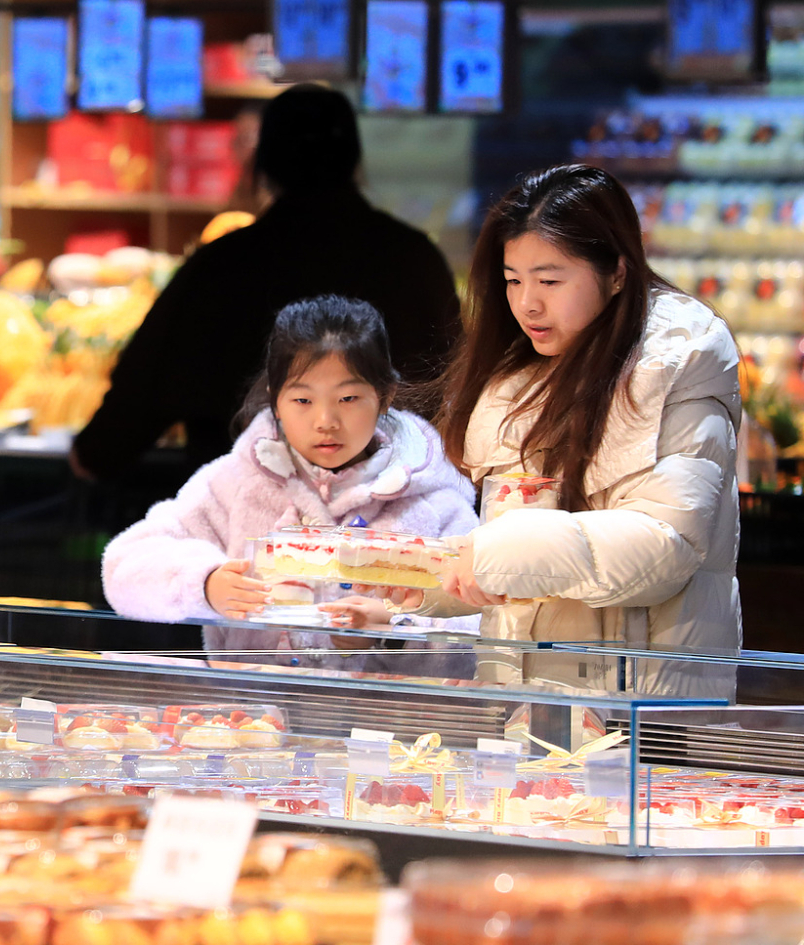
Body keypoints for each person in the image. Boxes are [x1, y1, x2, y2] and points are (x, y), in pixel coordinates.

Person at [425, 163, 741, 694]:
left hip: (643, 703)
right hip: (521, 695)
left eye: (550, 280)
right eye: (513, 280)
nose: (527, 302)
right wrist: (426, 582)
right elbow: (515, 569)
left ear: (617, 272)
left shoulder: (680, 361)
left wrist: (495, 554)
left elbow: (667, 548)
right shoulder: (516, 376)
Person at [71, 84, 461, 485]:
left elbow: (140, 392)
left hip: (241, 509)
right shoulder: (414, 259)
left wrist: (93, 455)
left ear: (264, 164)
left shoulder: (220, 265)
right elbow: (460, 391)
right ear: (354, 161)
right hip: (389, 510)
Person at [100, 295, 479, 667]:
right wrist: (206, 582)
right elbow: (123, 568)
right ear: (275, 401)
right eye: (302, 400)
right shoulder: (235, 483)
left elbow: (485, 618)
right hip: (250, 707)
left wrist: (394, 628)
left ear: (385, 396)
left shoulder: (433, 500)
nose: (325, 421)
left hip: (380, 711)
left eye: (348, 398)